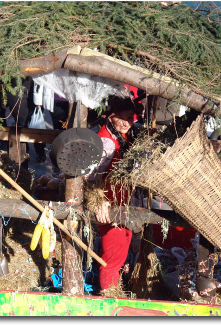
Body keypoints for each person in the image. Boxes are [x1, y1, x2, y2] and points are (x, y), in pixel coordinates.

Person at [86, 96, 142, 291]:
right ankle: (110, 302)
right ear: (110, 118)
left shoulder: (125, 136)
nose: (126, 122)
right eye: (121, 118)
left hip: (123, 204)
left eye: (130, 117)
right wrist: (99, 201)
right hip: (109, 206)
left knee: (120, 252)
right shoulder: (106, 142)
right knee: (112, 260)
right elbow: (90, 177)